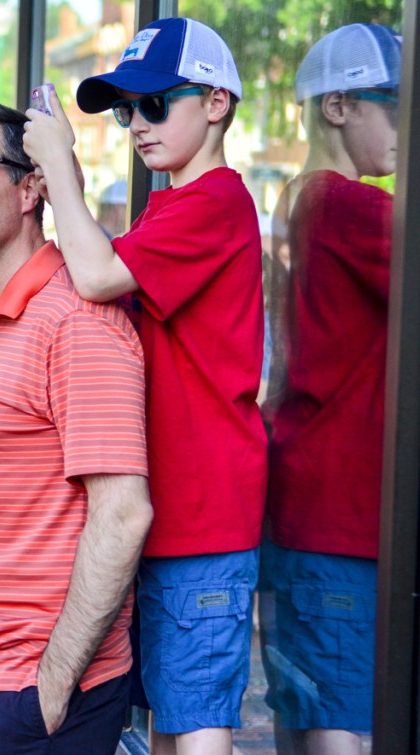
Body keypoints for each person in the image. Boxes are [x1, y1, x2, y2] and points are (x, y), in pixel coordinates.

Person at [23, 18, 267, 753]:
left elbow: (95, 275)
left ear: (217, 102)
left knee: (194, 729)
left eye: (156, 103)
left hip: (204, 515)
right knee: (168, 726)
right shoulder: (170, 206)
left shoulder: (216, 200)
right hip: (170, 517)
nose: (135, 123)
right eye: (126, 108)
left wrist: (59, 164)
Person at [0, 100, 151, 753]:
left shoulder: (76, 319)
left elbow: (123, 513)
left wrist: (51, 684)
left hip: (27, 700)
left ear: (31, 186)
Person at [262, 24, 400, 753]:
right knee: (341, 720)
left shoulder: (301, 199)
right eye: (397, 106)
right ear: (339, 106)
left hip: (313, 503)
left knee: (319, 708)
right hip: (341, 514)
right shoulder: (353, 207)